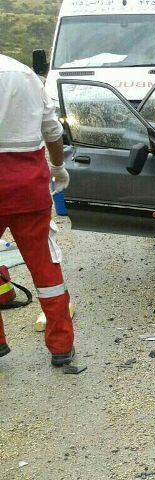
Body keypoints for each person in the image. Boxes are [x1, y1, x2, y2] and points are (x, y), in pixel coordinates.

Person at [0, 54, 74, 366]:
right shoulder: (24, 73)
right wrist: (58, 168)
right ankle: (61, 346)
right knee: (45, 265)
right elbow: (53, 132)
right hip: (28, 186)